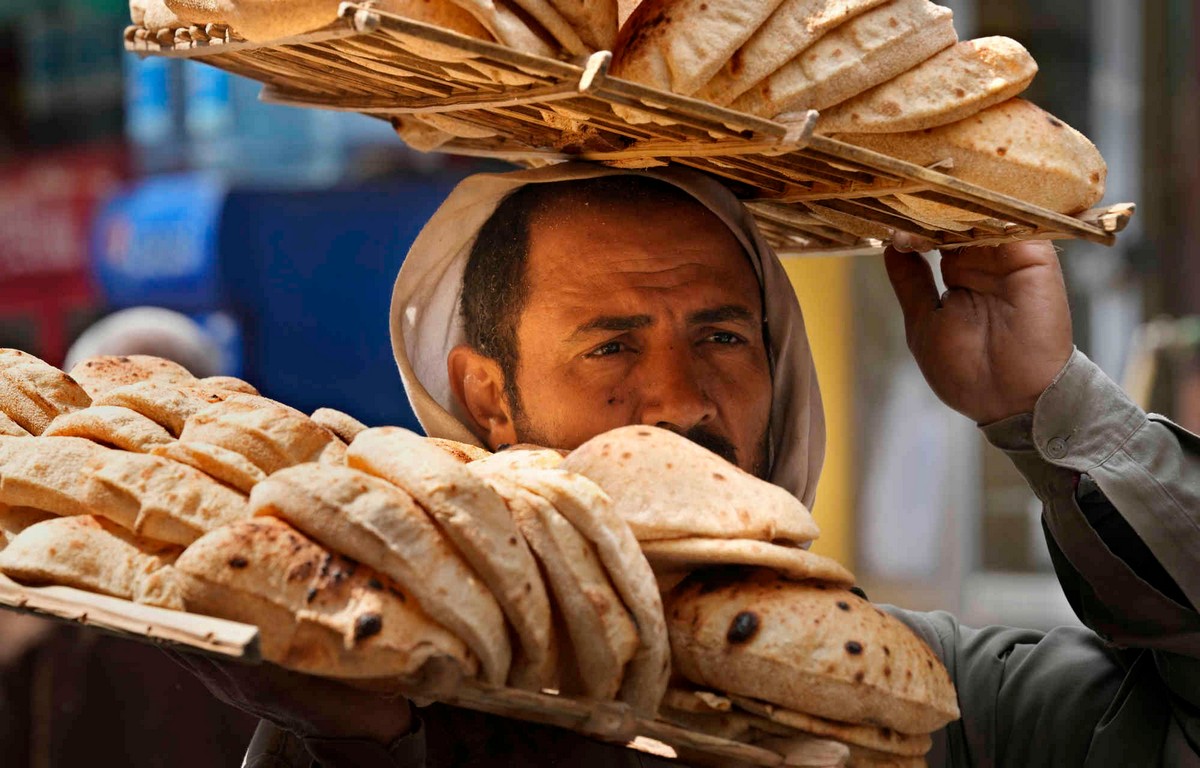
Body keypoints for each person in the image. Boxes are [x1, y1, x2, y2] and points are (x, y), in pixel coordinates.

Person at [181, 164, 1198, 767]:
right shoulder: (384, 710)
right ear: (490, 396)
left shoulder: (928, 699)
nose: (677, 399)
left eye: (720, 336)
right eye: (611, 346)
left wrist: (1044, 406)